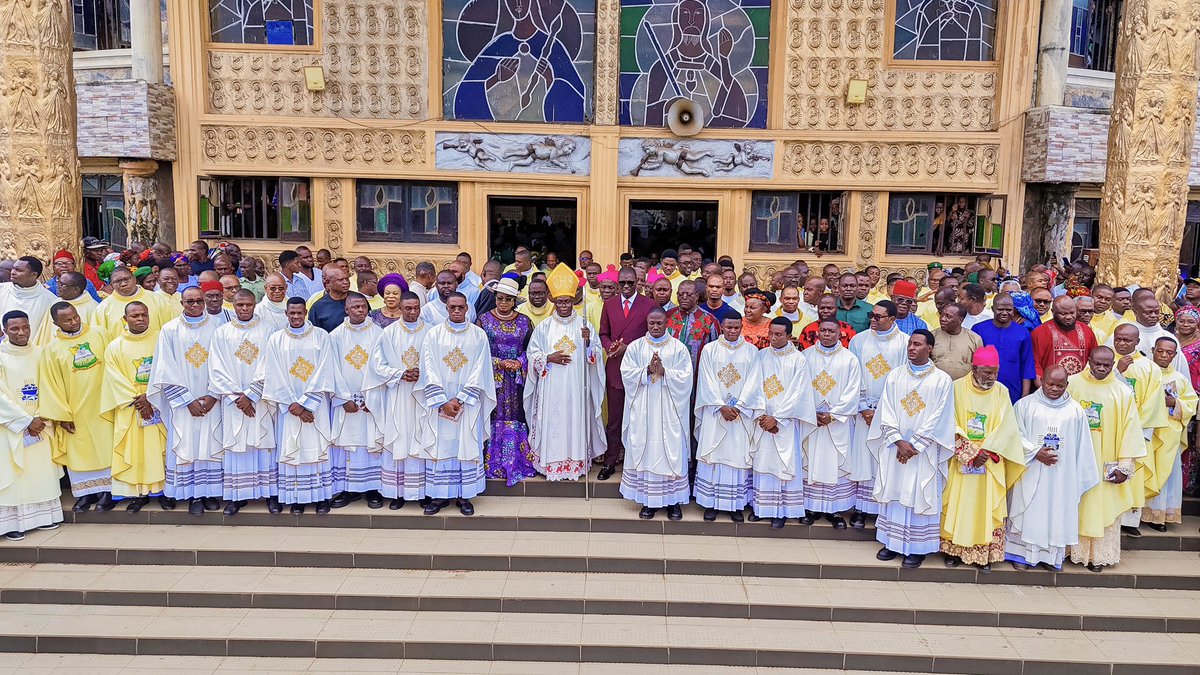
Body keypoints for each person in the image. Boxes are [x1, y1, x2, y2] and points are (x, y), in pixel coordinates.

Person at [868, 330, 955, 569]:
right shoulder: (895, 376)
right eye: (910, 344)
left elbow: (940, 416)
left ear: (930, 348)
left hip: (922, 451)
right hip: (896, 447)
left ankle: (917, 548)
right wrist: (898, 441)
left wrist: (915, 444)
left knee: (919, 492)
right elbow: (886, 409)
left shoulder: (941, 380)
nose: (911, 348)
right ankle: (891, 542)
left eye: (917, 344)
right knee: (895, 490)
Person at [940, 346, 1025, 572]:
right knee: (959, 504)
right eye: (987, 372)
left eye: (995, 372)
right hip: (963, 459)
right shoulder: (956, 388)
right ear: (974, 368)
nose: (992, 377)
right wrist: (969, 452)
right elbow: (948, 420)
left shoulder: (1001, 391)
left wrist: (985, 451)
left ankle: (984, 553)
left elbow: (1007, 426)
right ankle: (953, 550)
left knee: (987, 507)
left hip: (989, 460)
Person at [1005, 366, 1099, 571]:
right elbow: (1013, 434)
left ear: (1067, 385)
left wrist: (1076, 475)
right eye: (1050, 384)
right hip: (1031, 469)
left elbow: (1083, 447)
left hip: (1061, 475)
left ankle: (1050, 558)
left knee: (1056, 512)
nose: (1055, 389)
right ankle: (1021, 556)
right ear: (1041, 380)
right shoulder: (1025, 406)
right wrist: (1034, 452)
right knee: (1029, 509)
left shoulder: (1075, 412)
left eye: (1060, 385)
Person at [1066, 347, 1148, 572]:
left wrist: (1125, 467)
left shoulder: (1122, 391)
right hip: (1074, 459)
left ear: (1113, 364)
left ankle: (1097, 556)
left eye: (1107, 365)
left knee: (1101, 506)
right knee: (1075, 503)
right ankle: (1068, 551)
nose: (1101, 368)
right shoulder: (1071, 384)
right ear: (1089, 360)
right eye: (1097, 363)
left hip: (1106, 461)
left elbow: (1131, 430)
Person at [414, 293, 495, 516]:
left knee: (465, 445)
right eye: (452, 308)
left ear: (467, 307)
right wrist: (441, 401)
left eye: (461, 307)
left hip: (467, 404)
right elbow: (428, 367)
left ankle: (464, 495)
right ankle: (439, 496)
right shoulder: (434, 335)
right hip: (440, 404)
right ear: (447, 309)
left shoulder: (478, 335)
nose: (457, 311)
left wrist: (460, 399)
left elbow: (481, 369)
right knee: (442, 446)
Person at [525, 265, 606, 482]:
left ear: (573, 301)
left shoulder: (584, 326)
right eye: (560, 301)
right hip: (552, 386)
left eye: (567, 301)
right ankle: (551, 463)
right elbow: (532, 354)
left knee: (575, 420)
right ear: (554, 301)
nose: (564, 305)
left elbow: (595, 356)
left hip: (576, 387)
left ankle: (576, 462)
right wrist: (548, 358)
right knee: (553, 422)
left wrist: (589, 342)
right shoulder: (544, 327)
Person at [148, 287, 224, 516]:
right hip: (183, 402)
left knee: (212, 443)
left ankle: (210, 492)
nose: (195, 305)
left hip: (211, 398)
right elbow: (164, 369)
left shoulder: (218, 328)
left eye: (199, 301)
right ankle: (192, 494)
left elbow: (224, 365)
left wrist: (214, 395)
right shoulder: (170, 330)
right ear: (181, 303)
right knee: (187, 444)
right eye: (189, 302)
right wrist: (186, 401)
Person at [256, 298, 336, 515]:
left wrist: (308, 404)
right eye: (292, 313)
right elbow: (272, 374)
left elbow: (326, 370)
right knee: (293, 449)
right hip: (289, 408)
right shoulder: (276, 340)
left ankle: (322, 497)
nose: (296, 317)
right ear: (286, 313)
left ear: (306, 312)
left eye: (300, 313)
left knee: (317, 449)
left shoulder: (321, 337)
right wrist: (294, 404)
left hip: (315, 407)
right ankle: (296, 498)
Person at [39, 302, 115, 512]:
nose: (73, 322)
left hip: (102, 405)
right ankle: (84, 494)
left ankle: (107, 493)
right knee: (77, 451)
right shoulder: (51, 349)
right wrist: (60, 415)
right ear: (56, 323)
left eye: (75, 317)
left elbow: (115, 365)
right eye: (67, 320)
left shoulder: (100, 334)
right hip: (73, 410)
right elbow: (50, 383)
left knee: (106, 447)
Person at [742, 317, 818, 529]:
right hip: (763, 420)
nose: (773, 338)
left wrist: (777, 418)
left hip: (785, 422)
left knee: (783, 464)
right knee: (763, 462)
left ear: (788, 336)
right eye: (771, 334)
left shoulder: (798, 360)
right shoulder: (761, 355)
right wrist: (761, 415)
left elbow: (798, 393)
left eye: (778, 335)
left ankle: (782, 511)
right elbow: (753, 386)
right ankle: (762, 507)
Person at [208, 289, 279, 515]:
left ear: (255, 304)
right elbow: (216, 367)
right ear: (234, 305)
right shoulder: (222, 333)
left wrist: (252, 394)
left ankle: (270, 494)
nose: (244, 309)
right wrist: (237, 396)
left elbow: (272, 364)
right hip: (235, 402)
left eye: (248, 305)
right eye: (240, 305)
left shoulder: (268, 330)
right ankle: (238, 496)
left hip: (260, 399)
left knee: (264, 442)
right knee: (237, 445)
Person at [619, 309, 693, 520]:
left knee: (671, 451)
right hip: (643, 410)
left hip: (670, 411)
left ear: (666, 322)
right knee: (646, 449)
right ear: (647, 323)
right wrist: (648, 371)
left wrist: (665, 372)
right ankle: (649, 502)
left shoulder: (678, 348)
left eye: (659, 323)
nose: (655, 327)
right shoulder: (636, 347)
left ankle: (674, 502)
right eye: (652, 323)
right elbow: (626, 373)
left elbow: (686, 377)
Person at [99, 301, 169, 512]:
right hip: (131, 408)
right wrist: (138, 400)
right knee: (135, 450)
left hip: (158, 404)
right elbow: (114, 377)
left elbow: (169, 369)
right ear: (125, 319)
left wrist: (151, 397)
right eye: (135, 315)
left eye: (144, 315)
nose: (140, 319)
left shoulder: (162, 339)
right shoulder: (115, 346)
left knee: (160, 449)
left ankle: (165, 491)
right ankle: (139, 494)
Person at [362, 291, 429, 510]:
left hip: (423, 396)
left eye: (416, 307)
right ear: (399, 309)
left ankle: (424, 491)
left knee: (422, 437)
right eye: (407, 308)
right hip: (398, 395)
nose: (412, 312)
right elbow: (377, 365)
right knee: (398, 437)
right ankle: (398, 492)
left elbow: (439, 362)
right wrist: (400, 373)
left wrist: (423, 374)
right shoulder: (388, 333)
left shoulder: (431, 332)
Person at [318, 293, 384, 511]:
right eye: (354, 307)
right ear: (346, 310)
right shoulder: (335, 336)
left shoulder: (379, 333)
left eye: (363, 306)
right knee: (348, 445)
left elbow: (382, 366)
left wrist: (371, 397)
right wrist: (343, 398)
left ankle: (373, 488)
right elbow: (331, 370)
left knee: (370, 443)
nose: (360, 310)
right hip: (345, 402)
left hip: (370, 400)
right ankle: (348, 489)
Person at [0, 312, 63, 539]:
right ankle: (12, 524)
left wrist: (40, 416)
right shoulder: (1, 356)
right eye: (14, 329)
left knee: (40, 472)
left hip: (41, 423)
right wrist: (25, 420)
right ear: (5, 330)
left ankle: (45, 517)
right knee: (15, 472)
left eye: (25, 327)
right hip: (10, 426)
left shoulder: (41, 353)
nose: (21, 333)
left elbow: (51, 385)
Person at [845, 300, 909, 527]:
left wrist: (880, 411)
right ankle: (861, 508)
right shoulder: (859, 340)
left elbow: (903, 381)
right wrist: (863, 407)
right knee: (863, 459)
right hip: (863, 411)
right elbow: (852, 376)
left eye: (878, 316)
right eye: (872, 315)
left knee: (885, 460)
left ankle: (883, 510)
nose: (872, 319)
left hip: (889, 413)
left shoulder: (905, 343)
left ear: (892, 319)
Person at [693, 312, 756, 522]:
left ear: (741, 327)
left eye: (736, 327)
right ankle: (710, 503)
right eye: (728, 327)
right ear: (721, 326)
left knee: (736, 456)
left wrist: (739, 406)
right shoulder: (710, 350)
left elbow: (754, 383)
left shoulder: (751, 351)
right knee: (714, 456)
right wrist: (720, 406)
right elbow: (706, 380)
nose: (732, 331)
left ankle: (735, 505)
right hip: (715, 412)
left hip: (740, 414)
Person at [801, 317, 863, 529]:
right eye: (823, 330)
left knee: (834, 463)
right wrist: (811, 412)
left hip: (838, 423)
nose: (827, 334)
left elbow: (853, 391)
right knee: (811, 459)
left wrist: (833, 415)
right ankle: (809, 507)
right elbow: (798, 387)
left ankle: (835, 509)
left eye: (831, 331)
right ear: (818, 331)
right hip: (812, 421)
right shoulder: (805, 356)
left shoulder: (849, 359)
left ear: (839, 333)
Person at [474, 278, 536, 486]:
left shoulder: (525, 322)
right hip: (493, 378)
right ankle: (493, 463)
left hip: (517, 379)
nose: (503, 303)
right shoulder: (483, 321)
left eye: (508, 299)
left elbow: (533, 350)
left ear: (514, 301)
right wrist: (499, 362)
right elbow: (478, 352)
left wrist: (520, 362)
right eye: (500, 298)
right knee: (493, 414)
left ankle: (516, 461)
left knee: (517, 415)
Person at [1111, 322, 1168, 536]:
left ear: (1137, 341)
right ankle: (1110, 516)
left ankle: (1129, 520)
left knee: (1133, 473)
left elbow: (1154, 402)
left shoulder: (1150, 367)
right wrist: (1117, 371)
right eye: (1119, 339)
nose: (1122, 343)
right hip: (1109, 430)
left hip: (1136, 430)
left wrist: (1137, 429)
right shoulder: (1104, 361)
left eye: (1127, 340)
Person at [598, 267, 655, 481]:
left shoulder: (649, 304)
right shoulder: (609, 304)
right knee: (614, 418)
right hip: (615, 365)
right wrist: (610, 346)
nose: (627, 287)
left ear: (638, 282)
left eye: (631, 282)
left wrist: (628, 347)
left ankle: (638, 461)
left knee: (639, 418)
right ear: (617, 283)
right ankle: (611, 460)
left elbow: (653, 334)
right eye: (623, 283)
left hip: (640, 367)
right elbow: (603, 333)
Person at [1143, 337, 1197, 531]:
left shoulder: (1180, 379)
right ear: (1153, 350)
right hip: (1148, 431)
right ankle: (1140, 513)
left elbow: (1192, 404)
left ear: (1175, 355)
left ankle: (1159, 515)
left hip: (1168, 435)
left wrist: (1175, 403)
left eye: (1169, 352)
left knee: (1167, 474)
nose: (1164, 355)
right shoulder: (1144, 373)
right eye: (1160, 351)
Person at [1031, 296, 1097, 384]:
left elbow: (1094, 359)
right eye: (1063, 313)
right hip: (1050, 388)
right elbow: (1034, 364)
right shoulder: (1039, 333)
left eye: (1072, 313)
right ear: (1053, 312)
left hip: (1081, 387)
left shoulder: (1087, 331)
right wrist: (1043, 388)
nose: (1069, 317)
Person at [92, 266, 172, 337]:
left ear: (134, 278)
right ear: (112, 284)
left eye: (126, 279)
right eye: (117, 281)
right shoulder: (102, 309)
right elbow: (99, 337)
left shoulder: (157, 299)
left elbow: (169, 330)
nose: (123, 284)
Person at [665, 280, 719, 369]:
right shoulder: (667, 316)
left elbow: (715, 351)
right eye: (681, 294)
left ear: (697, 296)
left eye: (689, 294)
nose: (684, 297)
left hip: (698, 372)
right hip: (670, 371)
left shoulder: (710, 320)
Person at [932, 303, 984, 381]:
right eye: (941, 315)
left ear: (961, 320)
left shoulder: (974, 339)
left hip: (964, 388)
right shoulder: (932, 336)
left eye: (948, 316)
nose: (942, 319)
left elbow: (980, 367)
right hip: (936, 385)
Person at [308, 264, 351, 332]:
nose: (346, 282)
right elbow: (315, 334)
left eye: (347, 279)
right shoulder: (318, 307)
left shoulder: (358, 299)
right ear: (328, 283)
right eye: (341, 280)